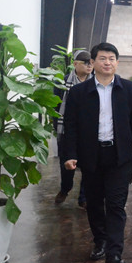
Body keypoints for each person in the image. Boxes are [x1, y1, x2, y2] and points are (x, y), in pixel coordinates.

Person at [63, 42, 132, 263]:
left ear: (117, 63)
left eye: (111, 59)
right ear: (93, 62)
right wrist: (70, 154)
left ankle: (114, 254)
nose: (107, 62)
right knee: (95, 203)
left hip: (119, 156)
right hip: (91, 156)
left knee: (116, 205)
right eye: (102, 58)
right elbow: (70, 126)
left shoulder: (128, 88)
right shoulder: (79, 92)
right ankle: (100, 241)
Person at [54, 50, 93, 208]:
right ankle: (65, 188)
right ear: (75, 64)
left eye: (91, 62)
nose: (89, 65)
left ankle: (83, 197)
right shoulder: (62, 83)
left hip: (88, 132)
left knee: (88, 166)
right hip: (67, 130)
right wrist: (57, 126)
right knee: (67, 165)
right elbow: (56, 106)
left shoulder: (95, 83)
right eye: (85, 62)